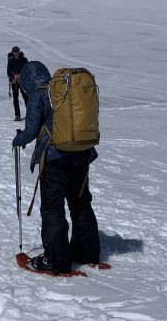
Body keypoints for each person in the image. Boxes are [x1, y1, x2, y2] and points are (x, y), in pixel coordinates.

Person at [11, 61, 100, 274]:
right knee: (80, 203)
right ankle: (86, 253)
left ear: (26, 80)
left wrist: (18, 140)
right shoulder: (63, 89)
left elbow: (31, 130)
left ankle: (57, 261)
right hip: (81, 154)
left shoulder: (39, 94)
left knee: (53, 209)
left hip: (55, 158)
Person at [7, 46, 28, 122]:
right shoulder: (11, 61)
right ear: (13, 53)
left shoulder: (24, 60)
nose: (17, 52)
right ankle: (17, 115)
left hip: (23, 81)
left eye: (18, 51)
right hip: (14, 82)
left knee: (26, 98)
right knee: (16, 99)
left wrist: (21, 75)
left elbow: (27, 69)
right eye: (15, 51)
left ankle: (30, 114)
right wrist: (14, 76)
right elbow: (9, 72)